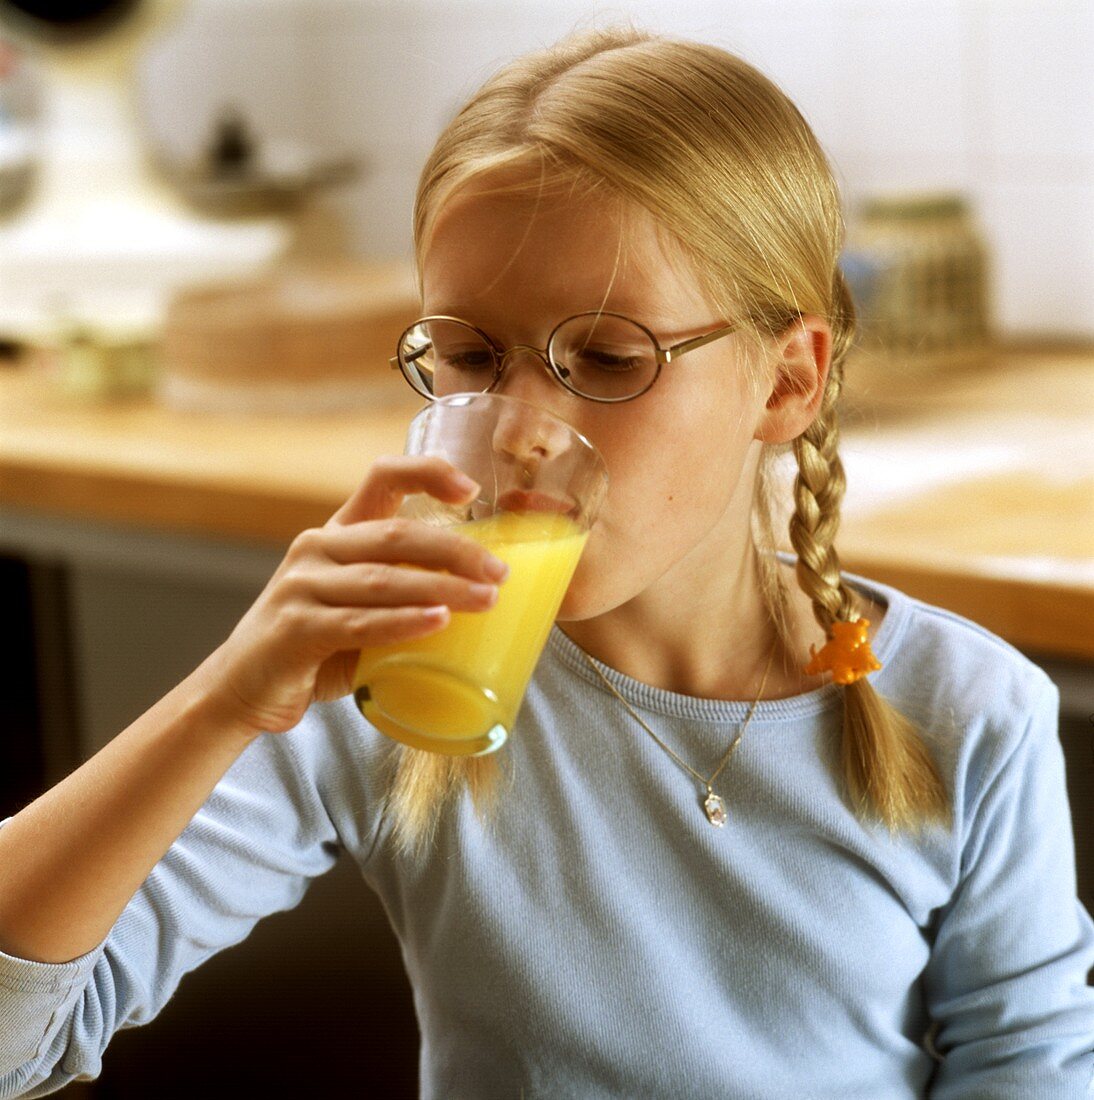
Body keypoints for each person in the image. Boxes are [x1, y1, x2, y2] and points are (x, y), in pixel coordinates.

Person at [1, 24, 1091, 1099]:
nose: (519, 427)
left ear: (785, 382)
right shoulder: (385, 692)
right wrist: (220, 700)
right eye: (469, 356)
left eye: (607, 356)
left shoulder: (967, 711)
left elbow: (1027, 1066)